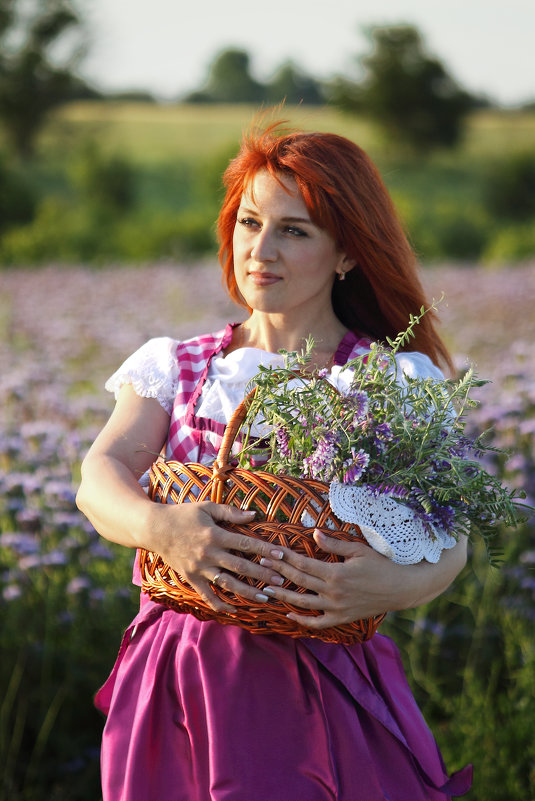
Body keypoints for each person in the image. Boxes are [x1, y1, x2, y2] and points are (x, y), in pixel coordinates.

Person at [76, 122, 473, 800]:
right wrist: (160, 528)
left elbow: (450, 542)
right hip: (182, 668)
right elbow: (99, 476)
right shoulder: (179, 365)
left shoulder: (390, 380)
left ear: (345, 251)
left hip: (326, 666)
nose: (261, 249)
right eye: (250, 221)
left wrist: (384, 584)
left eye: (295, 230)